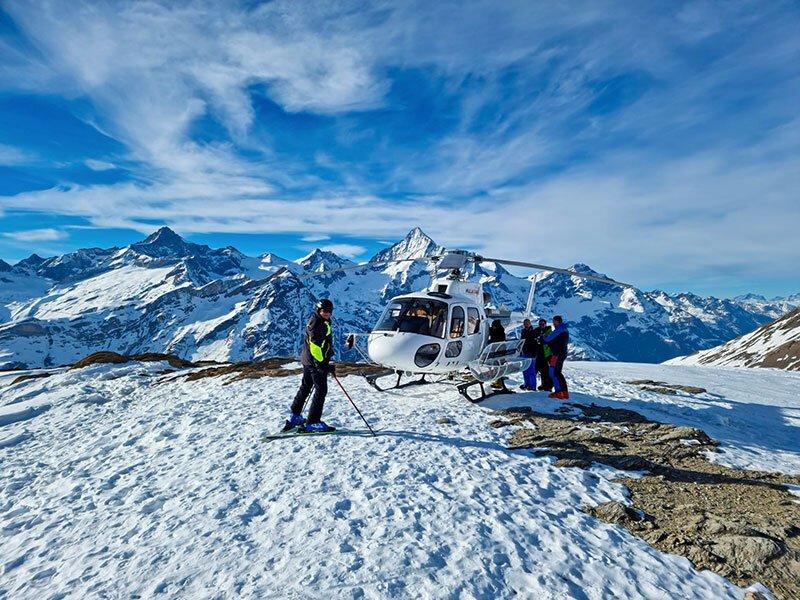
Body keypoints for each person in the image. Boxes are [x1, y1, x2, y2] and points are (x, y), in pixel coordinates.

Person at [285, 298, 336, 432]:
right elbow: (315, 346)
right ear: (319, 310)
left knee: (306, 386)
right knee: (321, 390)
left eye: (329, 311)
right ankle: (313, 422)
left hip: (308, 360)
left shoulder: (321, 320)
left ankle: (294, 416)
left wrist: (327, 358)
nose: (327, 313)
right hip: (315, 362)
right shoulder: (317, 323)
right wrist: (321, 364)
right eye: (324, 311)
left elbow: (324, 343)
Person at [541, 315, 569, 399]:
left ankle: (559, 392)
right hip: (561, 353)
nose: (553, 323)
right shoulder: (564, 329)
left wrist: (542, 336)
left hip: (557, 354)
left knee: (554, 372)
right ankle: (564, 392)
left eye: (554, 321)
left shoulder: (559, 329)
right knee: (557, 372)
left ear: (557, 321)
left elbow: (547, 339)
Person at [533, 318, 554, 391]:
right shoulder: (537, 330)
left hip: (546, 354)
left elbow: (549, 341)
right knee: (541, 370)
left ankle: (548, 386)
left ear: (545, 324)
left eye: (543, 324)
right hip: (538, 353)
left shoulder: (549, 331)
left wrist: (541, 339)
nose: (541, 325)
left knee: (546, 370)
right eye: (540, 324)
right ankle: (543, 384)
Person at [488, 320, 507, 390]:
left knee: (498, 366)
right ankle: (498, 381)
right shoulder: (500, 331)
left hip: (499, 352)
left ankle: (499, 383)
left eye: (494, 326)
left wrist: (489, 342)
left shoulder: (499, 332)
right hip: (499, 352)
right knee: (498, 367)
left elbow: (495, 340)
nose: (493, 327)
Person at [519, 318, 538, 390]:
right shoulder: (523, 331)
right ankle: (527, 384)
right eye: (525, 323)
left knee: (531, 371)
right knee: (525, 370)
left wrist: (534, 354)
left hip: (531, 353)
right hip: (524, 353)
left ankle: (532, 386)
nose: (526, 325)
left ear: (530, 324)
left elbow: (536, 344)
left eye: (527, 323)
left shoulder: (533, 332)